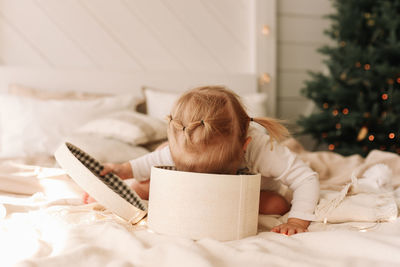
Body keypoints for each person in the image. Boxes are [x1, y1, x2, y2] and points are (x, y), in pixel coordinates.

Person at [87, 86, 319, 236]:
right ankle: (118, 195)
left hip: (243, 195)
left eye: (215, 172)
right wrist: (121, 170)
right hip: (188, 191)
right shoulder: (186, 143)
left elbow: (305, 178)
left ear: (243, 147)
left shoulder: (262, 149)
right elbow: (148, 162)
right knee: (144, 185)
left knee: (276, 205)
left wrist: (298, 221)